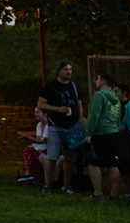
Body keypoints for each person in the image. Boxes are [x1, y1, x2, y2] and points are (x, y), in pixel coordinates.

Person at [35, 62, 83, 195]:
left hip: (72, 126)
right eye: (65, 69)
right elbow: (41, 105)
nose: (68, 72)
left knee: (70, 158)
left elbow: (79, 106)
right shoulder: (50, 87)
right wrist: (58, 109)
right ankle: (47, 184)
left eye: (70, 69)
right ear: (59, 71)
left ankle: (67, 185)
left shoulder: (74, 86)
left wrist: (80, 122)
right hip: (55, 126)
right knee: (52, 156)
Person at [83, 73, 123, 199]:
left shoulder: (98, 96)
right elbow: (118, 117)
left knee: (93, 163)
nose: (96, 81)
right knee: (113, 164)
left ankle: (98, 193)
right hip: (114, 133)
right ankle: (114, 194)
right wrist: (116, 129)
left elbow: (94, 115)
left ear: (104, 81)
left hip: (100, 133)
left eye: (98, 79)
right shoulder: (116, 98)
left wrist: (89, 133)